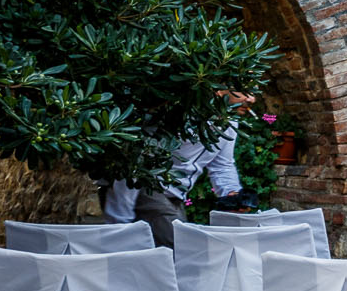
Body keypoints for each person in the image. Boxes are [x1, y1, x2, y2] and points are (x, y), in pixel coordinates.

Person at [101, 91, 259, 246]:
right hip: (149, 189)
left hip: (176, 197)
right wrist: (119, 220)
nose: (251, 99)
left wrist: (231, 195)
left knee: (172, 258)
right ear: (219, 89)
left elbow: (222, 164)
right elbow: (137, 159)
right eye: (244, 91)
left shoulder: (230, 123)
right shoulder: (178, 115)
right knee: (185, 250)